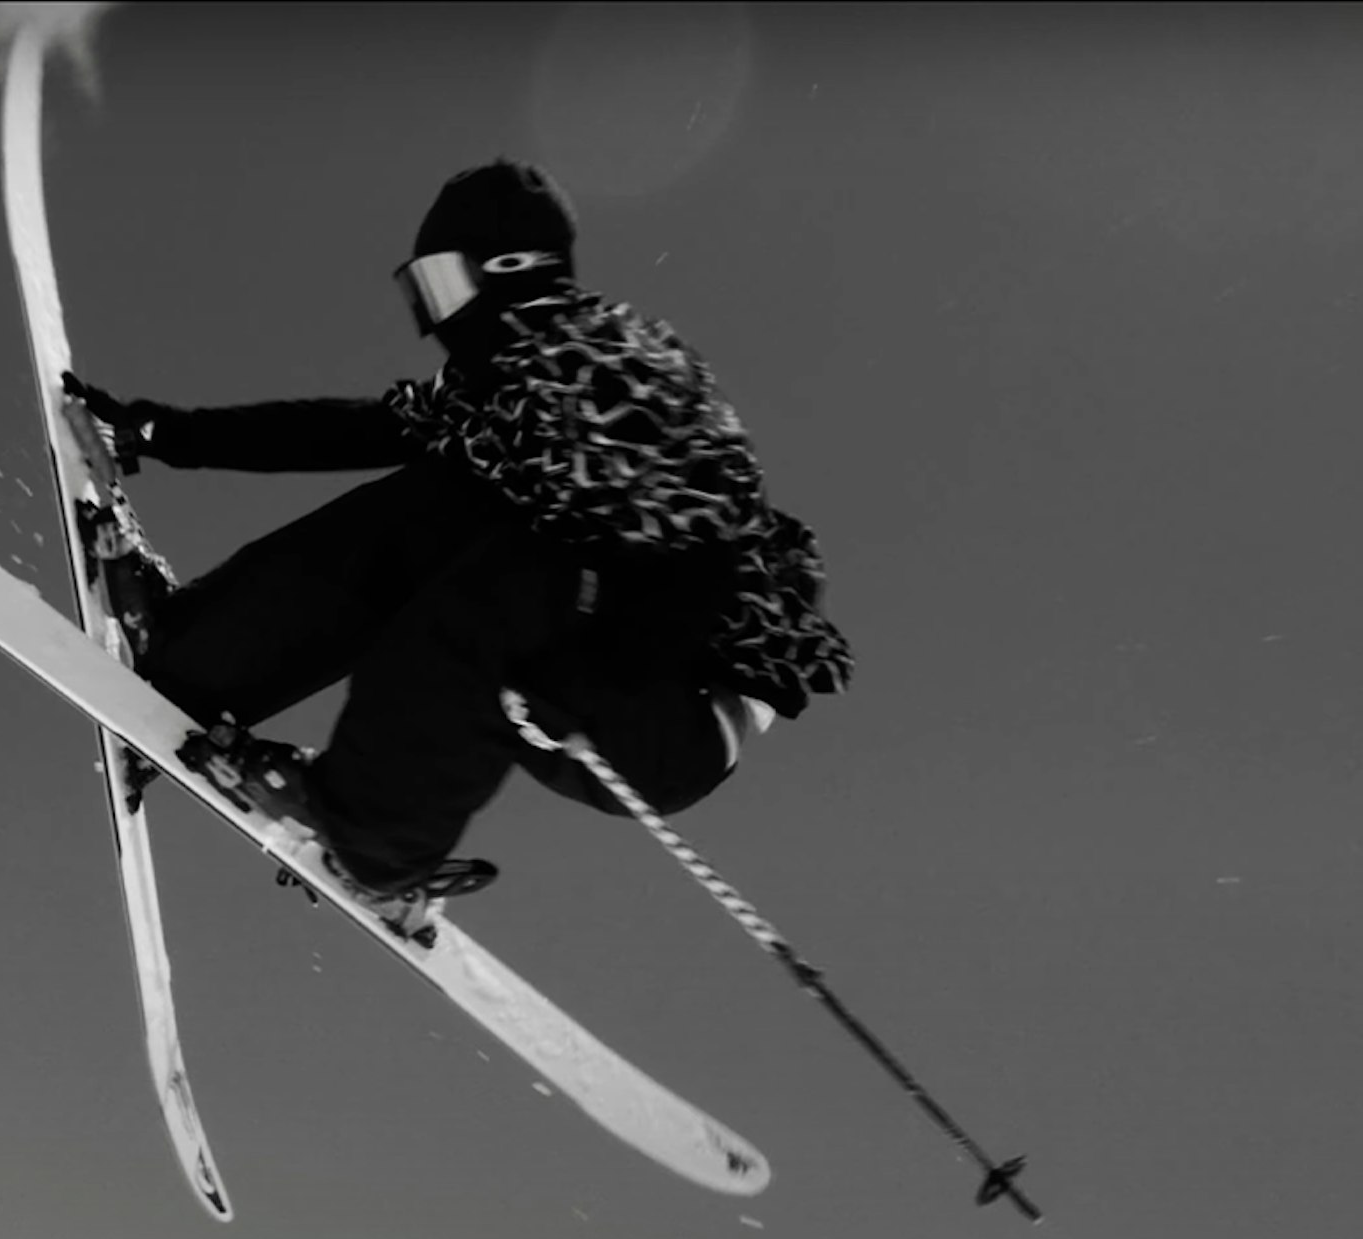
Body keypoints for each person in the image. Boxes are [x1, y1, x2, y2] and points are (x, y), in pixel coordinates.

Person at [66, 160, 853, 930]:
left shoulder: (610, 363)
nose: (436, 317)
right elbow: (355, 428)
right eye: (422, 293)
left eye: (441, 286)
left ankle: (378, 849)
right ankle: (195, 658)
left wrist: (616, 654)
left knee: (508, 568)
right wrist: (161, 430)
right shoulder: (504, 385)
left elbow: (714, 538)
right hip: (588, 644)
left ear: (510, 269)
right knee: (436, 501)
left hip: (668, 704)